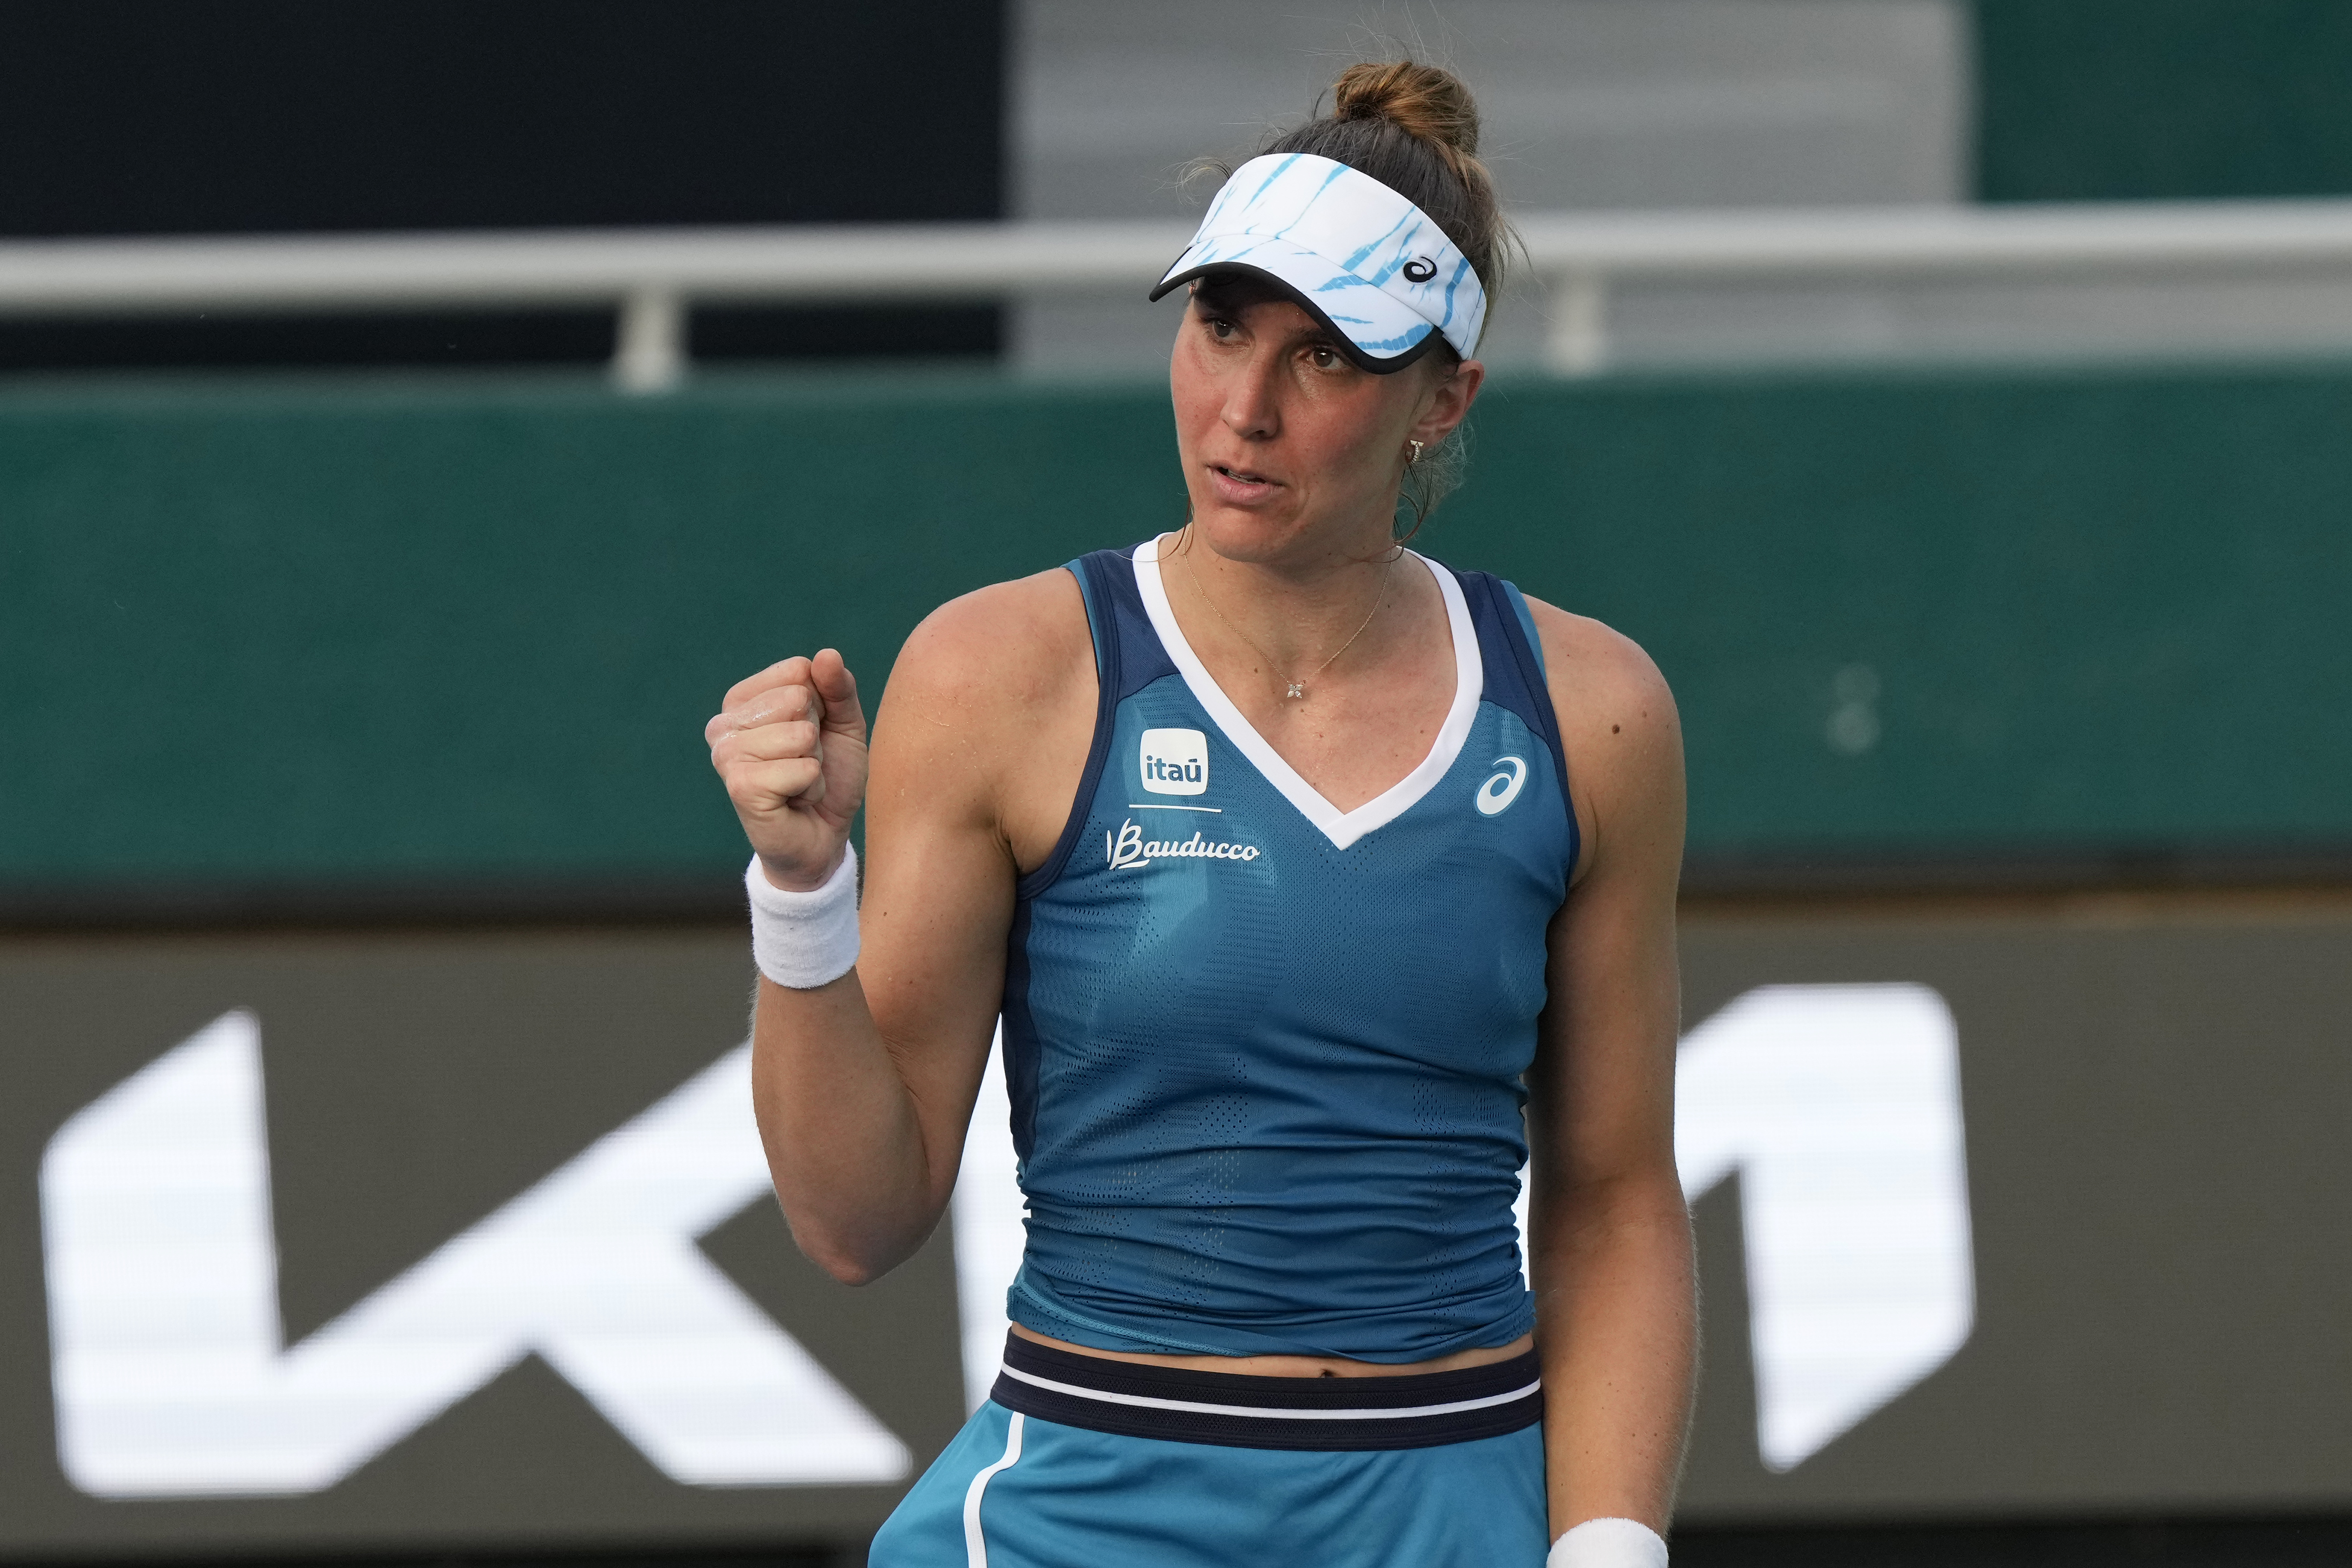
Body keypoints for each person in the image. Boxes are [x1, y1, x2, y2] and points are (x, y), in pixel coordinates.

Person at [706, 58, 1693, 1568]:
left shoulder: (1592, 710)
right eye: (1222, 326)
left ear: (1444, 397)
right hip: (1080, 1509)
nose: (1244, 407)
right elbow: (857, 1219)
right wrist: (799, 889)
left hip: (1453, 1508)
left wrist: (1609, 1549)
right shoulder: (998, 674)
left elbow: (1616, 1199)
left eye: (1329, 357)